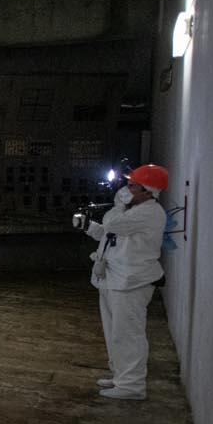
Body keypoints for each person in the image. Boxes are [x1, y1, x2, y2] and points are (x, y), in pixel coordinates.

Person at [75, 164, 168, 400]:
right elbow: (110, 235)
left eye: (132, 186)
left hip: (131, 282)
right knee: (114, 332)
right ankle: (121, 376)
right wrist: (89, 227)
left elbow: (114, 224)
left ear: (148, 191)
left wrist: (119, 205)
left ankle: (132, 385)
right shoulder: (132, 211)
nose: (126, 189)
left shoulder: (149, 212)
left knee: (128, 334)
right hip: (114, 279)